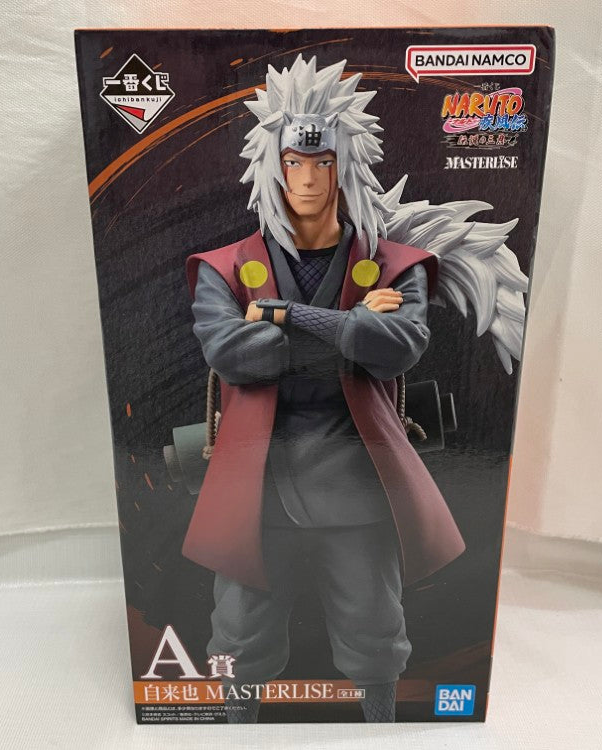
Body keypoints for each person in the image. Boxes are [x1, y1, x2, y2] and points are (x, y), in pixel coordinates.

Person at [181, 57, 469, 723]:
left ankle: (382, 730)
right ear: (274, 167)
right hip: (257, 482)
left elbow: (397, 349)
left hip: (358, 480)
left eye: (323, 163)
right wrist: (352, 327)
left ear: (345, 166)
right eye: (294, 163)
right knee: (239, 639)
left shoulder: (397, 265)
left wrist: (285, 316)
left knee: (375, 637)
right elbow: (232, 355)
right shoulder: (224, 267)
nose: (308, 179)